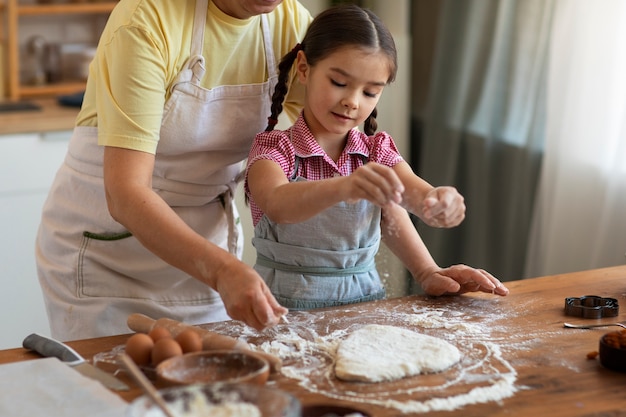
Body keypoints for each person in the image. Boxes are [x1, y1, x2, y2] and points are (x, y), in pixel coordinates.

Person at [35, 0, 313, 341]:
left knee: (203, 389)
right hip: (108, 261)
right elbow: (126, 194)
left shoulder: (290, 23)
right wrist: (222, 271)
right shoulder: (147, 18)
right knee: (112, 388)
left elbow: (332, 137)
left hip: (201, 259)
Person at [244, 4, 509, 310]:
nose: (352, 102)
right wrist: (345, 187)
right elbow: (279, 204)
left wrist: (438, 208)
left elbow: (412, 192)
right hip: (281, 313)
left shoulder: (376, 151)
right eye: (339, 83)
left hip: (363, 310)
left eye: (370, 92)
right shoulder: (274, 150)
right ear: (304, 68)